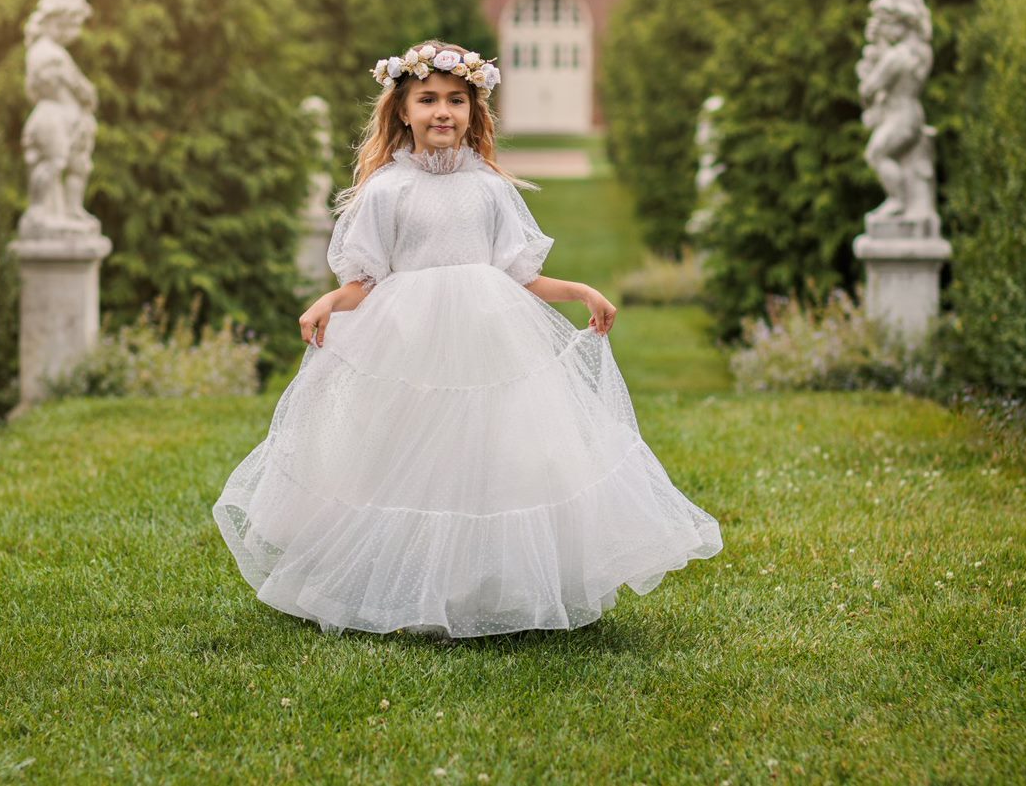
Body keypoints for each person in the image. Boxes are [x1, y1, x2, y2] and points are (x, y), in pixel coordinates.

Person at [213, 40, 723, 639]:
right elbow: (365, 280)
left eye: (456, 100)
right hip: (407, 341)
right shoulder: (386, 191)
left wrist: (580, 291)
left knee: (494, 453)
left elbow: (521, 274)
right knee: (402, 456)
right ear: (402, 110)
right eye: (427, 99)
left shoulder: (488, 188)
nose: (442, 112)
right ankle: (397, 581)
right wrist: (329, 300)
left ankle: (484, 583)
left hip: (488, 335)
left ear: (473, 112)